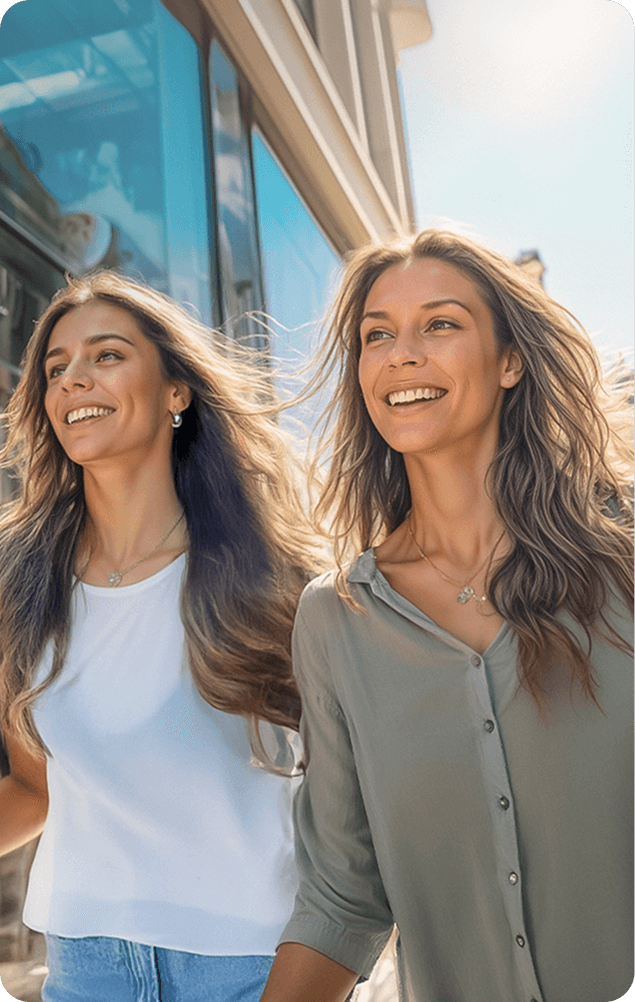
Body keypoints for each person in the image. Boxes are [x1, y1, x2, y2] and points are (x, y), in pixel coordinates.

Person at [259, 229, 634, 1002]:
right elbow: (341, 898)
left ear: (509, 361)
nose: (401, 354)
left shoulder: (620, 570)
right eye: (376, 335)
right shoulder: (334, 619)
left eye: (439, 324)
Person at [0, 271, 320, 1001]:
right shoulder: (20, 584)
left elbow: (349, 800)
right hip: (86, 970)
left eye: (107, 355)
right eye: (55, 368)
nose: (73, 379)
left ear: (177, 391)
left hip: (252, 966)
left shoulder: (277, 578)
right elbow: (33, 788)